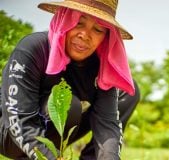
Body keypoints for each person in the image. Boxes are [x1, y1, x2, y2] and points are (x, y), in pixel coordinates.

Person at [0, 0, 140, 159]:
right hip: (9, 131)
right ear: (64, 20)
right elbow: (20, 119)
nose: (85, 35)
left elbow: (107, 124)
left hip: (54, 133)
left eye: (98, 29)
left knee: (128, 92)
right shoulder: (33, 48)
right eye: (78, 23)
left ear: (106, 37)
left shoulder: (100, 67)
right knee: (67, 104)